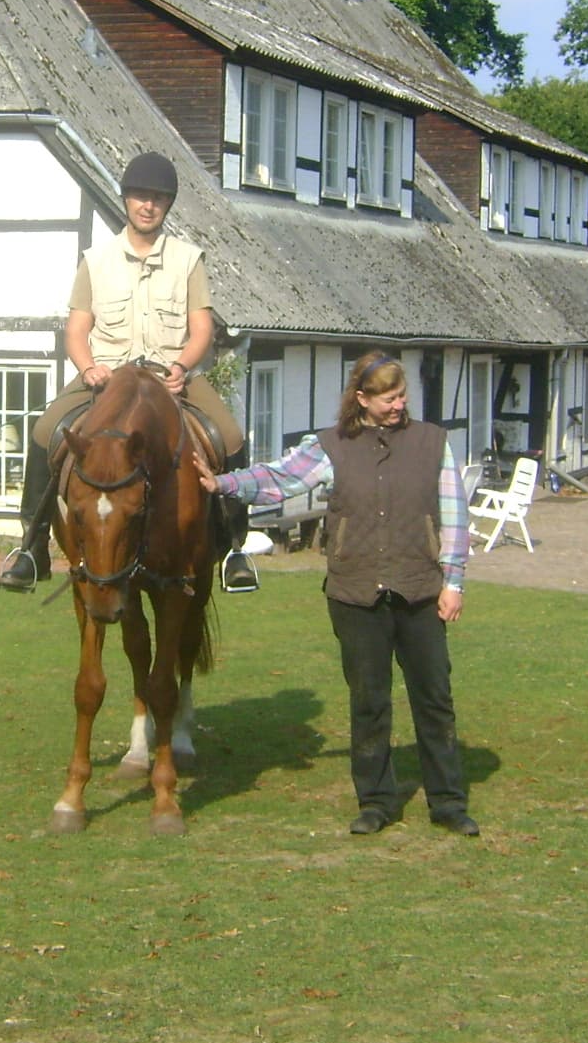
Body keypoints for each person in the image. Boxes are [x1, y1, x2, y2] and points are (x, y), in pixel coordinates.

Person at [198, 351, 478, 836]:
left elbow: (454, 514)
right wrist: (222, 483)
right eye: (388, 398)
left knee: (435, 700)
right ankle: (375, 801)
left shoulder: (434, 443)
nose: (398, 405)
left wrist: (452, 581)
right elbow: (279, 479)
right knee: (369, 702)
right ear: (362, 399)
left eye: (402, 396)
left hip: (420, 593)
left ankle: (448, 803)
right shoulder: (330, 446)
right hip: (355, 595)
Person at [0, 151, 258, 594]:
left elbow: (201, 329)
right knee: (45, 431)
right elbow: (77, 330)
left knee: (229, 437)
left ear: (167, 205)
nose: (148, 205)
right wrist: (89, 368)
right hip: (107, 377)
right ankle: (32, 546)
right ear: (126, 200)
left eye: (157, 198)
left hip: (169, 376)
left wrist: (181, 366)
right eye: (141, 196)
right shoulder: (95, 260)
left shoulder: (188, 260)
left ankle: (234, 548)